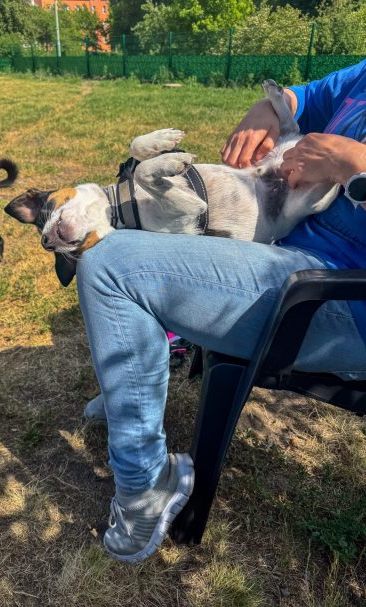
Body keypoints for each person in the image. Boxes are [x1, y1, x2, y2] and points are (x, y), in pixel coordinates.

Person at [77, 60, 366, 562]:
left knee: (110, 265)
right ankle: (129, 387)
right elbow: (300, 97)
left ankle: (143, 487)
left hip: (335, 296)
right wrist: (270, 109)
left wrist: (351, 161)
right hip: (280, 245)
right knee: (125, 228)